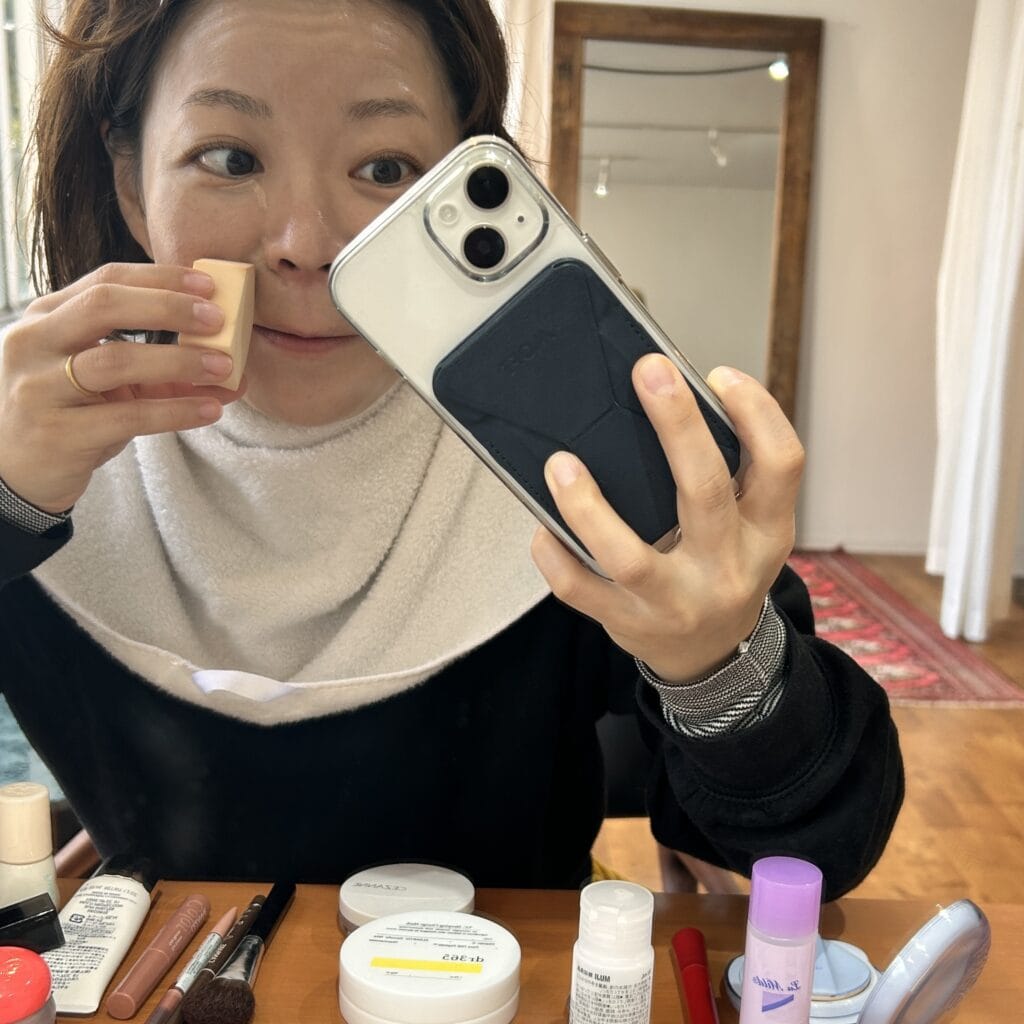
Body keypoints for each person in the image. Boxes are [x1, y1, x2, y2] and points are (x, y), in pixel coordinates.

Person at [0, 0, 902, 899]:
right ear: (131, 184)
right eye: (231, 158)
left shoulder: (573, 456)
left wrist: (718, 661)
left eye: (385, 168)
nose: (306, 246)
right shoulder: (32, 454)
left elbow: (817, 850)